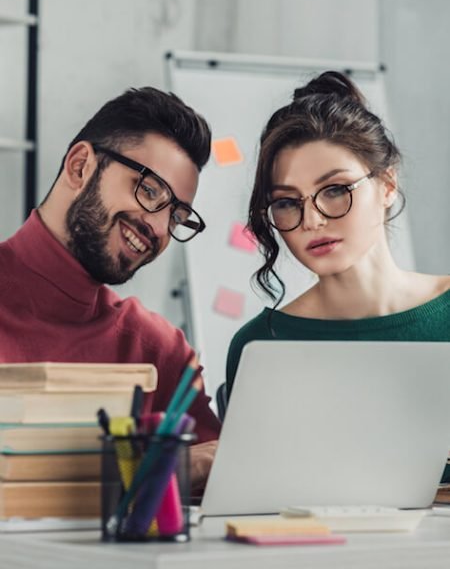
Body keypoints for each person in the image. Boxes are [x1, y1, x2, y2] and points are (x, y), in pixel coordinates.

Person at [0, 86, 220, 489]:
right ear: (81, 165)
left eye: (176, 216)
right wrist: (148, 468)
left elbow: (226, 476)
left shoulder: (161, 353)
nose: (157, 227)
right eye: (150, 190)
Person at [227, 70, 450, 395]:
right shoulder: (259, 345)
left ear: (387, 185)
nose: (312, 220)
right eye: (287, 202)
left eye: (334, 190)